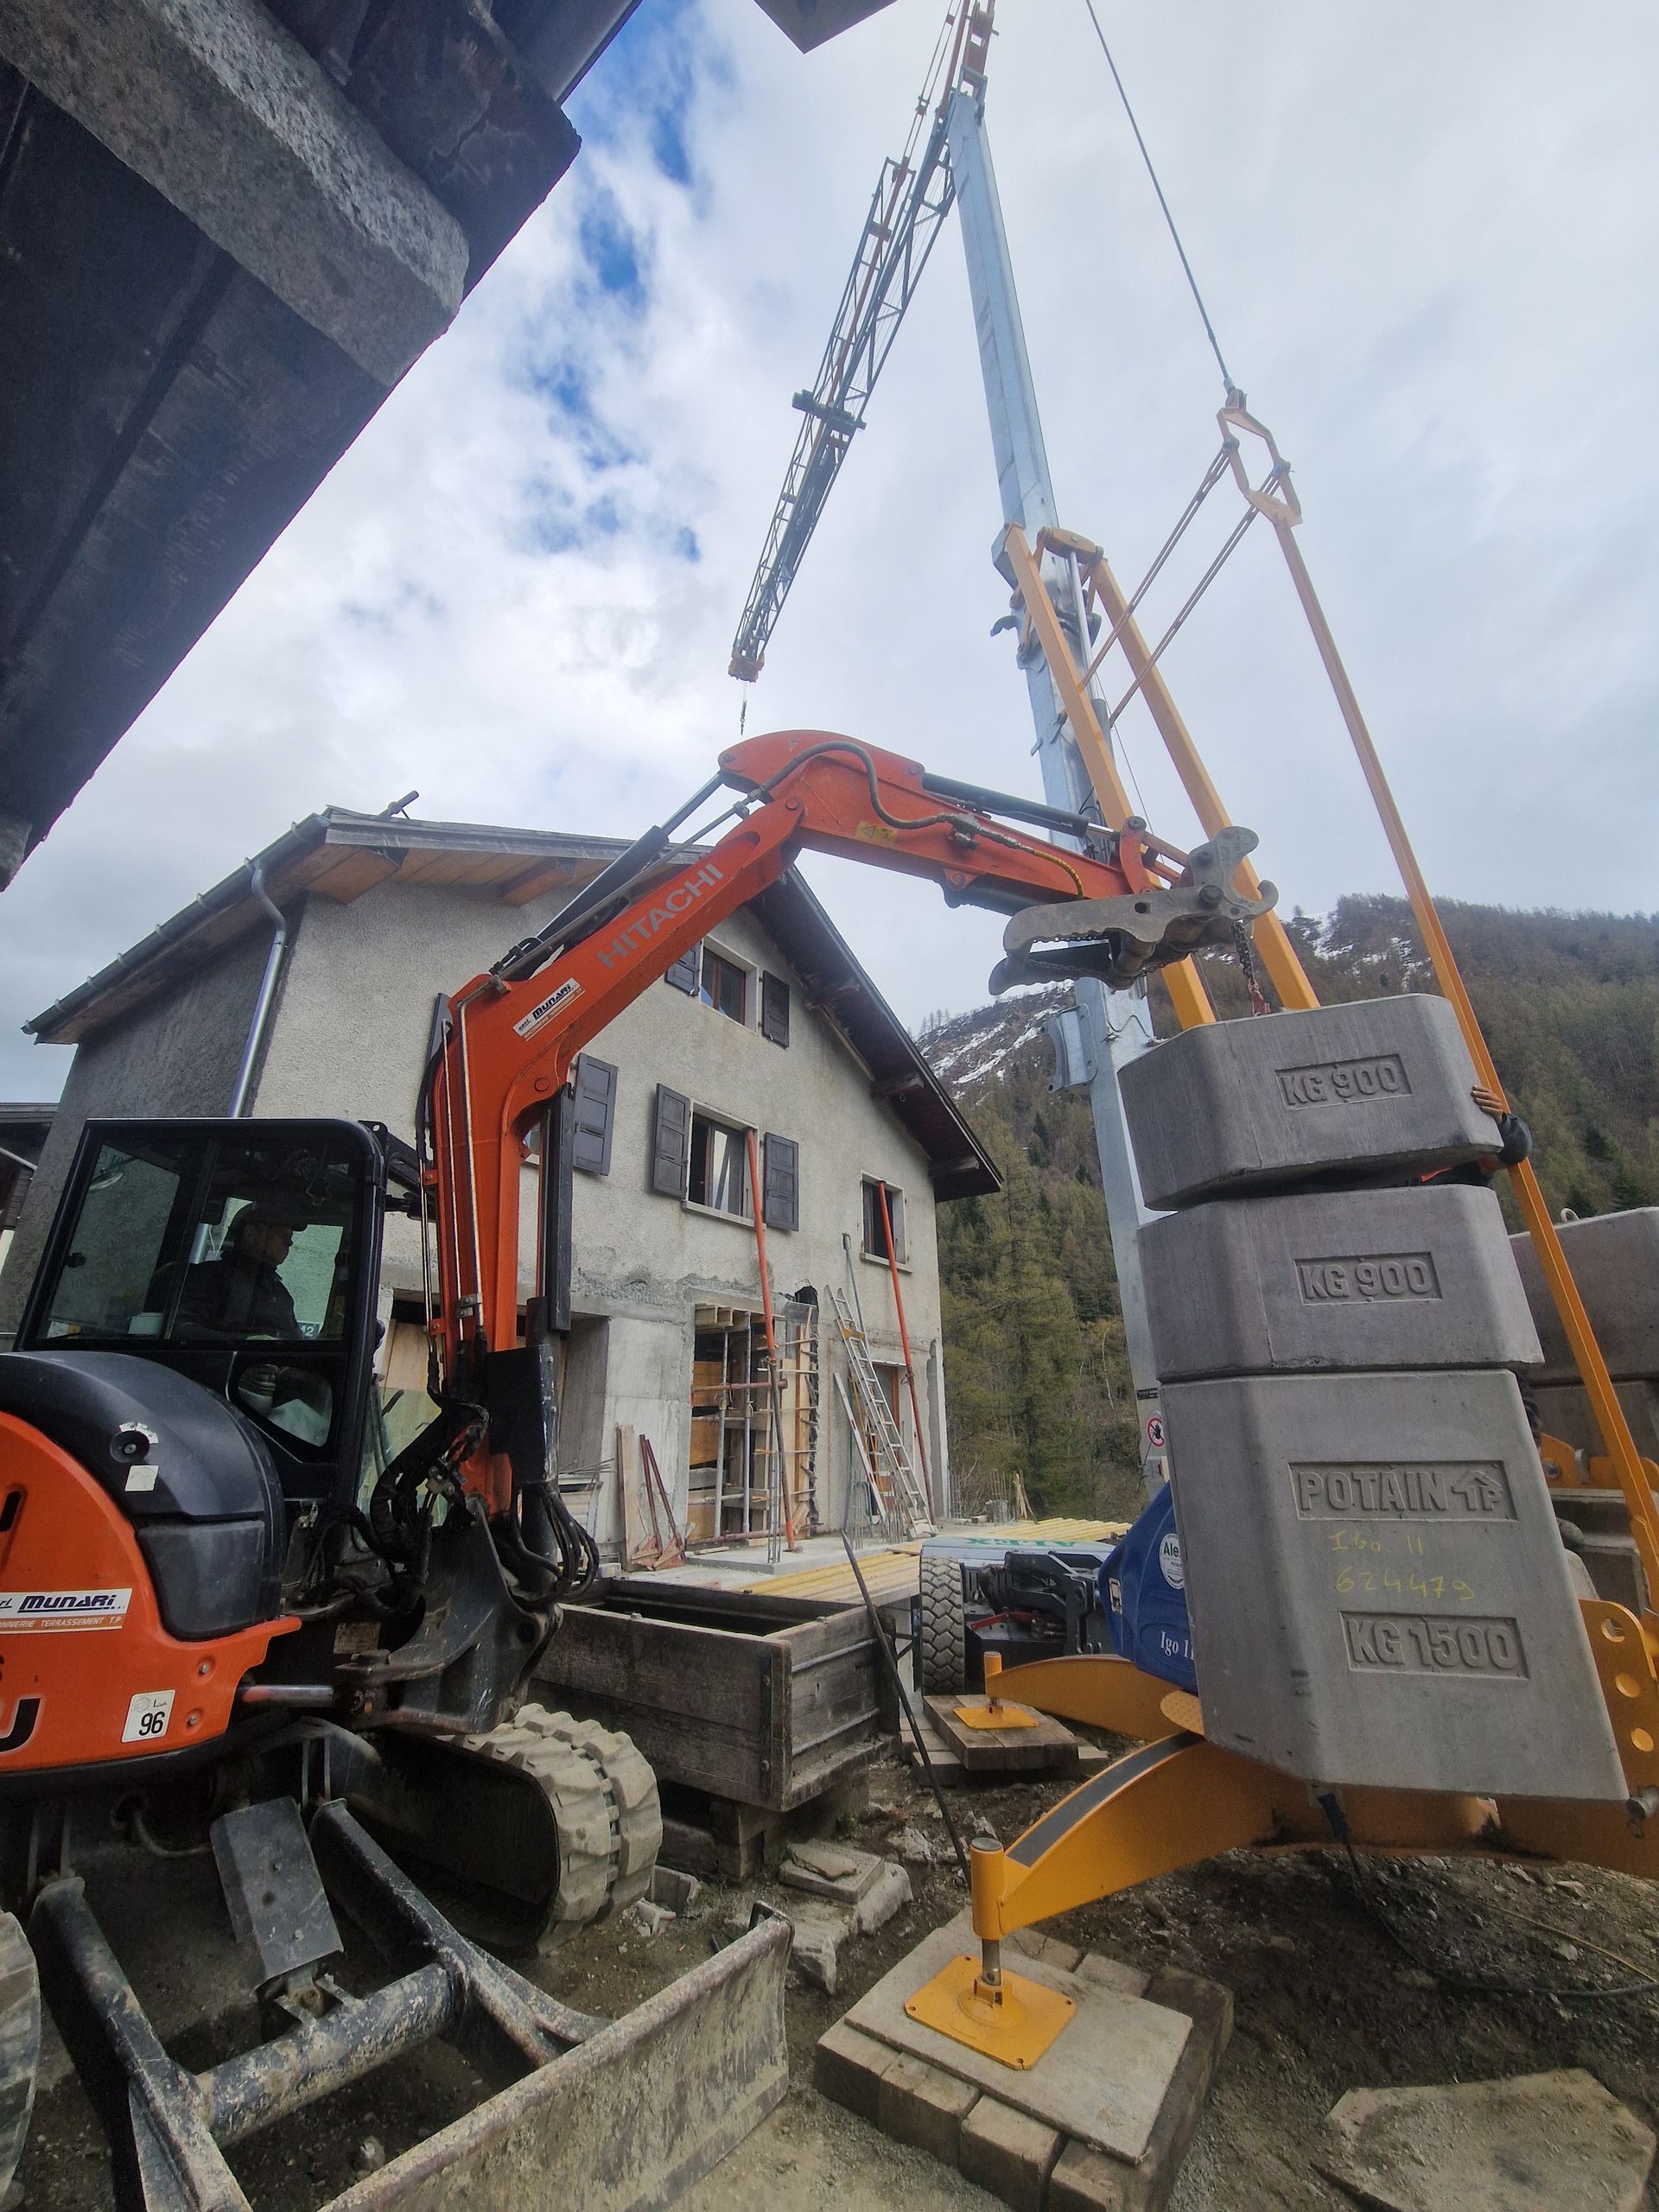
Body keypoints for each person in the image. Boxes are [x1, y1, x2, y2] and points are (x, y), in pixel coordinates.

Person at [175, 1198, 302, 1340]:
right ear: (251, 1234)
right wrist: (246, 1341)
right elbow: (181, 1329)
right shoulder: (210, 1277)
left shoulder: (279, 1292)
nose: (290, 1243)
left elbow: (296, 1339)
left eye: (290, 1237)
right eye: (281, 1234)